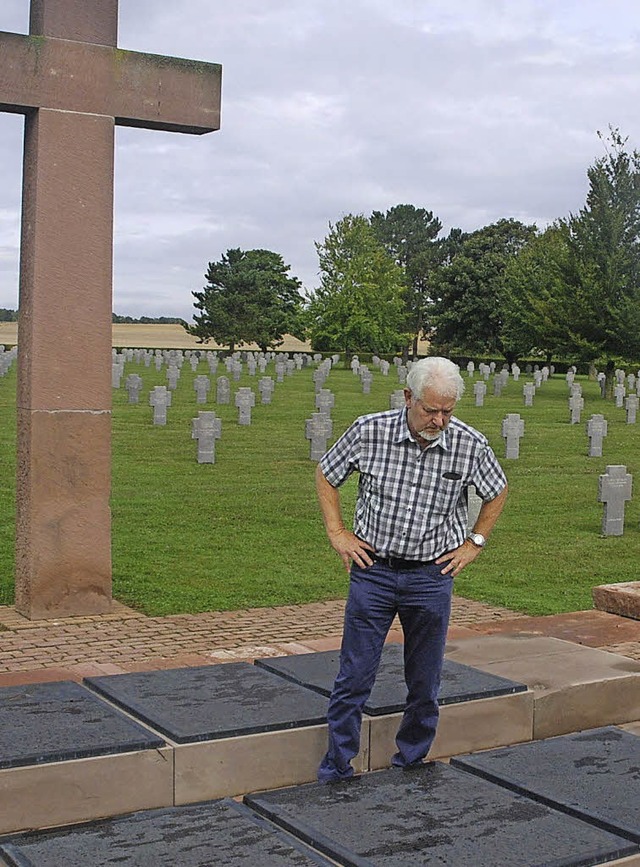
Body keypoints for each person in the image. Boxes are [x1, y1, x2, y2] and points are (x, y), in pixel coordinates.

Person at [316, 356, 508, 782]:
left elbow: (497, 491)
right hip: (374, 571)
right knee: (354, 676)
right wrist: (338, 532)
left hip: (430, 577)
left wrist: (474, 543)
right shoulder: (370, 431)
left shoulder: (470, 444)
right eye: (430, 410)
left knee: (425, 680)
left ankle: (411, 761)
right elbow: (327, 474)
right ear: (408, 398)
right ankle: (336, 767)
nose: (439, 420)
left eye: (447, 411)